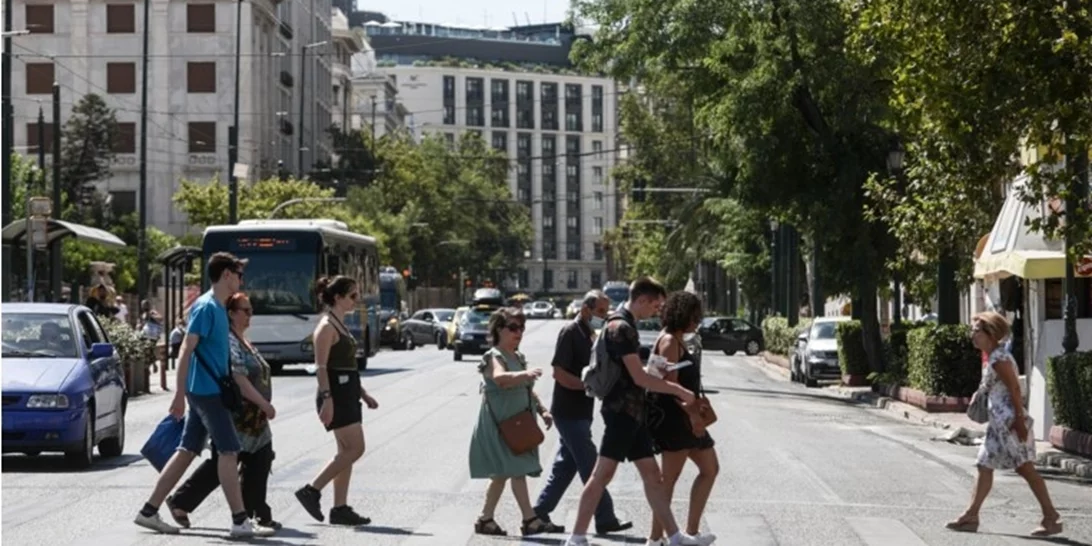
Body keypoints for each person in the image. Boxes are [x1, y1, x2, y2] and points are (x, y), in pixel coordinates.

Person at [133, 252, 274, 538]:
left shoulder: (217, 307)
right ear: (226, 275)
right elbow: (186, 348)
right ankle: (239, 520)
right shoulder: (207, 307)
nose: (241, 280)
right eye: (238, 274)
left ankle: (149, 511)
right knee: (229, 451)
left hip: (205, 392)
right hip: (207, 394)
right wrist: (178, 395)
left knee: (187, 452)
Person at [565, 277, 710, 546]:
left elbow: (636, 372)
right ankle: (576, 537)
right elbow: (639, 378)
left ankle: (674, 538)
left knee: (653, 478)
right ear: (641, 299)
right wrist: (678, 390)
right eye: (655, 305)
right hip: (622, 413)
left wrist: (656, 371)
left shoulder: (624, 324)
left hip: (633, 413)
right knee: (602, 476)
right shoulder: (622, 327)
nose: (657, 311)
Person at [166, 292, 280, 530]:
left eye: (251, 310)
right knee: (226, 461)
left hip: (253, 416)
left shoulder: (244, 339)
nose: (250, 315)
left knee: (257, 458)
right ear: (231, 314)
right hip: (239, 411)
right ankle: (184, 502)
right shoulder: (229, 340)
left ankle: (256, 512)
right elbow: (238, 377)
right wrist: (263, 403)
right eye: (245, 311)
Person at [946, 311, 1063, 537]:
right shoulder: (994, 357)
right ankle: (971, 515)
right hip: (998, 424)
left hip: (1009, 422)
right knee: (984, 465)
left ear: (989, 333)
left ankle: (1051, 517)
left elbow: (1015, 389)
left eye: (976, 331)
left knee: (1025, 468)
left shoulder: (1000, 359)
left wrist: (1019, 421)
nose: (972, 334)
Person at [533, 290, 632, 535]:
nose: (604, 316)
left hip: (581, 412)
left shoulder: (589, 334)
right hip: (568, 412)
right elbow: (559, 373)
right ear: (585, 309)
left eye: (606, 311)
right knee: (591, 464)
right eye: (600, 311)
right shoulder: (570, 333)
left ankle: (538, 512)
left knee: (566, 466)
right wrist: (587, 385)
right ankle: (605, 517)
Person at [295, 275, 378, 526]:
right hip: (335, 395)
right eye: (352, 296)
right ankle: (312, 490)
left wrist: (363, 393)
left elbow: (348, 366)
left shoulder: (339, 324)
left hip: (348, 393)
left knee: (345, 452)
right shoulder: (326, 327)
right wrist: (327, 399)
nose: (357, 300)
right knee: (355, 448)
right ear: (338, 298)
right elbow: (321, 367)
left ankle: (339, 508)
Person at [468, 307, 559, 536]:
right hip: (501, 426)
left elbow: (526, 389)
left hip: (518, 425)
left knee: (501, 475)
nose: (519, 332)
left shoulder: (517, 357)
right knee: (516, 470)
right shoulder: (494, 356)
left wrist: (543, 411)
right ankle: (530, 520)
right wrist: (525, 374)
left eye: (521, 328)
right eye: (513, 328)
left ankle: (485, 519)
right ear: (499, 329)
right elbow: (500, 379)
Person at [646, 292, 718, 546]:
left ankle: (692, 532)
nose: (697, 321)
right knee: (668, 482)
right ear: (682, 315)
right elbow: (664, 386)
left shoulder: (676, 340)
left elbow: (655, 377)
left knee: (710, 469)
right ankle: (655, 539)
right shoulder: (668, 342)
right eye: (694, 316)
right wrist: (693, 417)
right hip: (676, 421)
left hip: (686, 418)